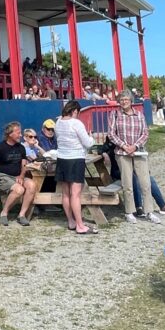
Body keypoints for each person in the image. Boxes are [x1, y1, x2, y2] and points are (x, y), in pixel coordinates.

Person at [108, 90, 161, 224]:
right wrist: (125, 146)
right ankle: (129, 211)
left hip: (139, 152)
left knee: (145, 183)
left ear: (131, 101)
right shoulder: (114, 115)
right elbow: (111, 134)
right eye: (121, 100)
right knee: (127, 183)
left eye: (126, 99)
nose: (124, 102)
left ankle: (149, 211)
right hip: (122, 153)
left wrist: (135, 146)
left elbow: (145, 133)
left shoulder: (139, 115)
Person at [55, 99, 97, 234]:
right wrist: (92, 137)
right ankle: (80, 225)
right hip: (75, 158)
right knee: (76, 194)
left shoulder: (58, 122)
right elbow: (88, 143)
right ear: (74, 111)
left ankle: (71, 221)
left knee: (65, 194)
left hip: (62, 158)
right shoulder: (76, 123)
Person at [0, 122, 37, 226]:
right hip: (3, 176)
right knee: (19, 189)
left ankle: (21, 215)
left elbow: (24, 165)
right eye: (18, 133)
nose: (21, 135)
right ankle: (4, 213)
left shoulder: (21, 148)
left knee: (32, 185)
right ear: (10, 134)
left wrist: (22, 176)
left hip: (17, 176)